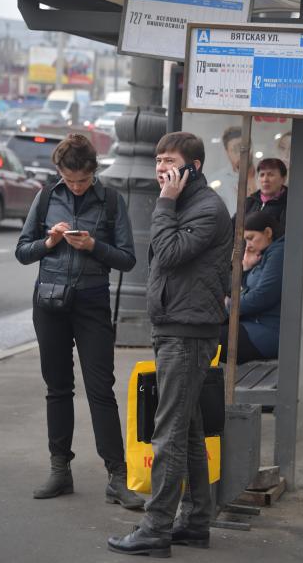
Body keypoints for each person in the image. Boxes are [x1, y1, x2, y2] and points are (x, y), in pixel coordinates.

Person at [108, 131, 233, 556]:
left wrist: (163, 204)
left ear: (192, 167)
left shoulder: (206, 208)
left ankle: (156, 528)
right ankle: (196, 522)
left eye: (169, 160)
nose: (160, 166)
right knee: (190, 429)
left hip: (187, 334)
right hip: (176, 327)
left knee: (169, 434)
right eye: (157, 159)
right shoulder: (186, 202)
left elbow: (168, 251)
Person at [15, 133, 144, 510]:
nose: (75, 186)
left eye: (82, 180)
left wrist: (93, 247)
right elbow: (23, 251)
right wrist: (49, 243)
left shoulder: (111, 201)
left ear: (94, 171)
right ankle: (60, 469)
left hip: (91, 301)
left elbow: (127, 259)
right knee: (58, 388)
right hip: (50, 301)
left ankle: (117, 477)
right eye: (69, 179)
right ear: (59, 172)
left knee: (101, 388)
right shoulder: (45, 197)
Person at [220, 212, 284, 364]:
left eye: (251, 238)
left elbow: (263, 295)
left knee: (208, 340)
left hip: (268, 330)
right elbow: (245, 289)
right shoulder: (266, 254)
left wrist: (230, 306)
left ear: (268, 232)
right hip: (254, 324)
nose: (248, 245)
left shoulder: (279, 252)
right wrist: (247, 267)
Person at [208, 125, 256, 215]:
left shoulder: (265, 175)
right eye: (236, 149)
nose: (242, 153)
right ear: (227, 152)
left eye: (245, 147)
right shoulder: (217, 181)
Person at [245, 157, 288, 233]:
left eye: (270, 175)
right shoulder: (250, 202)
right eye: (262, 175)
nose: (265, 180)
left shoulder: (289, 204)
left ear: (283, 179)